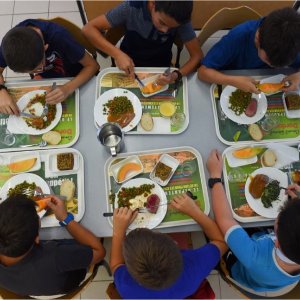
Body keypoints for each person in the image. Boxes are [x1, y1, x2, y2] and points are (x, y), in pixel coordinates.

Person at [207, 149, 300, 292]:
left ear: (276, 240)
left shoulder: (255, 258)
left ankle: (223, 265)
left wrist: (214, 177)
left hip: (240, 266)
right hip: (272, 274)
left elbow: (224, 219)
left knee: (213, 227)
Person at [110, 193, 227, 298]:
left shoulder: (127, 287)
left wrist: (118, 231)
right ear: (175, 243)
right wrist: (194, 211)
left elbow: (116, 265)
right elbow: (222, 242)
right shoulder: (193, 268)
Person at [0, 195, 106, 296]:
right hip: (69, 279)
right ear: (37, 238)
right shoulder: (55, 255)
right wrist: (65, 218)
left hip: (35, 287)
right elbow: (100, 252)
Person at [82, 1, 202, 86]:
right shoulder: (131, 7)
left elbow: (197, 56)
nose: (165, 31)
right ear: (153, 3)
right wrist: (117, 54)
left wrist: (176, 75)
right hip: (128, 66)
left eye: (172, 27)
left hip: (160, 68)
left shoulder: (179, 16)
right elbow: (88, 29)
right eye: (162, 22)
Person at [0, 19, 100, 115]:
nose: (40, 70)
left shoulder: (59, 36)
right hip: (49, 81)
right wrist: (1, 91)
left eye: (39, 68)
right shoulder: (11, 46)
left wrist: (68, 88)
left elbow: (93, 66)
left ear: (45, 47)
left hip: (76, 76)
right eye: (33, 71)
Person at [198, 7, 300, 93]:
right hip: (232, 80)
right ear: (257, 37)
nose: (272, 65)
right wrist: (233, 81)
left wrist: (298, 77)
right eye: (268, 61)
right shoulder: (239, 36)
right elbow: (203, 72)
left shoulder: (293, 41)